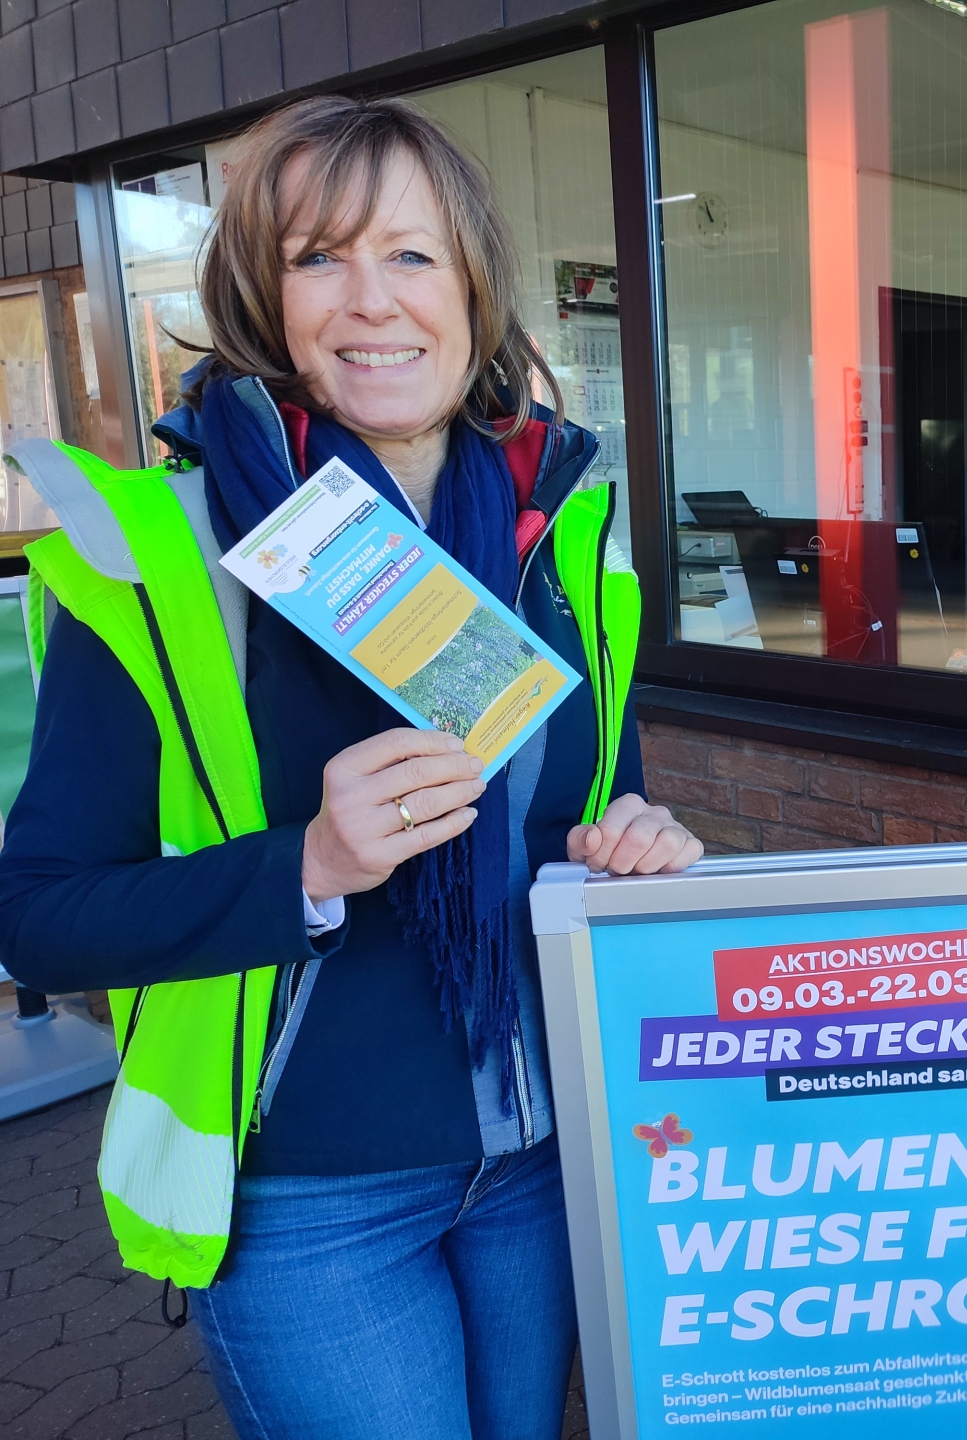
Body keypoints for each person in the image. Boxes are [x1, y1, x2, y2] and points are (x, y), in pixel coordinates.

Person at [0, 96, 702, 1439]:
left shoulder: (564, 531)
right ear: (263, 295)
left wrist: (639, 841)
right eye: (318, 257)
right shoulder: (158, 552)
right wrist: (306, 866)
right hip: (310, 1193)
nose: (368, 301)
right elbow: (34, 912)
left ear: (476, 286)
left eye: (411, 256)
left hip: (545, 1159)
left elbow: (602, 796)